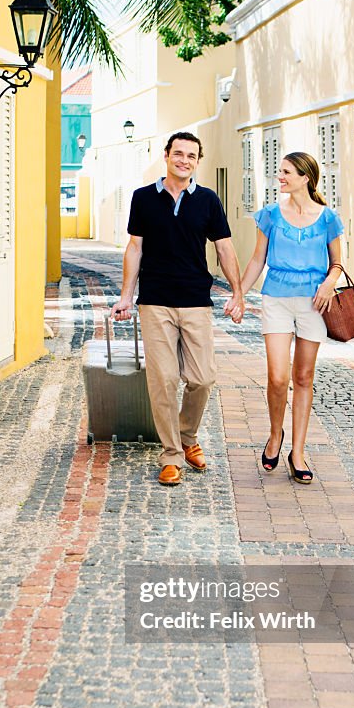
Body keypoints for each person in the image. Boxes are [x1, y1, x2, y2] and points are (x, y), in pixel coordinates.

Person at [111, 131, 245, 486]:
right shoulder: (142, 198)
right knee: (164, 380)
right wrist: (126, 295)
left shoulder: (207, 200)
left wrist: (238, 292)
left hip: (196, 301)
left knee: (202, 378)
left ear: (198, 162)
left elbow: (225, 248)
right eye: (179, 153)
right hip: (154, 301)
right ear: (166, 155)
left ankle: (187, 437)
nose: (184, 160)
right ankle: (171, 454)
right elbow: (135, 248)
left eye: (192, 156)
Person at [238, 152, 343, 485]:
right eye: (279, 171)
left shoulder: (328, 218)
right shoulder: (270, 215)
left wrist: (328, 284)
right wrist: (240, 294)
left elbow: (337, 264)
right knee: (277, 376)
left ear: (304, 178)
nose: (279, 177)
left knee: (304, 376)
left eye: (285, 172)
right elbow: (257, 260)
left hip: (315, 303)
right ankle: (274, 435)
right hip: (276, 299)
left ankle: (297, 452)